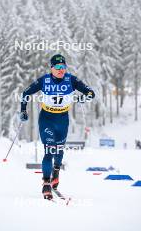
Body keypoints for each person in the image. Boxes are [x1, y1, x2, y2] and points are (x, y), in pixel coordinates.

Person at [20, 54, 95, 199]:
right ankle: (46, 183)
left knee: (59, 150)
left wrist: (83, 97)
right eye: (58, 67)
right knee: (49, 150)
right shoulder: (44, 80)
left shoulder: (71, 80)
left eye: (63, 67)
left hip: (62, 119)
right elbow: (25, 93)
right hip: (47, 118)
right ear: (52, 68)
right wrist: (23, 110)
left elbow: (91, 93)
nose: (61, 70)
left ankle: (56, 172)